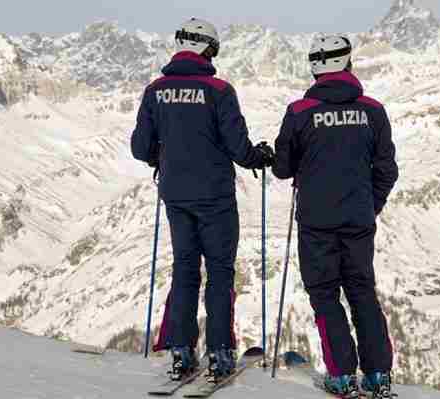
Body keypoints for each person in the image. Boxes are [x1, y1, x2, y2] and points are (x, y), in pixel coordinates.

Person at [130, 18, 274, 383]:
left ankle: (181, 350)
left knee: (184, 269)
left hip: (176, 195)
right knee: (220, 271)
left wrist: (161, 158)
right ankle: (221, 353)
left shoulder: (155, 90)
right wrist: (260, 157)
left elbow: (139, 147)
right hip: (215, 196)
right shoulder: (219, 90)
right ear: (208, 49)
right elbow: (238, 148)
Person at [272, 35, 399, 399]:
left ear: (314, 67)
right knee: (362, 292)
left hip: (316, 221)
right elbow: (386, 169)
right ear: (347, 64)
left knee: (325, 295)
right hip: (358, 219)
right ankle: (378, 375)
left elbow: (283, 168)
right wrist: (369, 205)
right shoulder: (373, 110)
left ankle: (342, 376)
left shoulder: (299, 112)